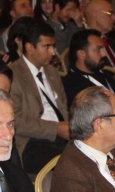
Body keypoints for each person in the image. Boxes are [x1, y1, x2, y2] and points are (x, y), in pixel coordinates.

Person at [10, 20, 70, 173]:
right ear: (30, 48)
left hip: (62, 137)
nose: (53, 52)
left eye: (53, 46)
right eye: (46, 47)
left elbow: (64, 108)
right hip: (31, 142)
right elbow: (15, 122)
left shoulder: (52, 72)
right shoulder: (12, 75)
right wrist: (56, 129)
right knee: (71, 165)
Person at [62, 29, 115, 114]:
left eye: (103, 49)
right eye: (98, 50)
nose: (104, 54)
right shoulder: (70, 85)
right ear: (81, 54)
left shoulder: (106, 76)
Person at [84, 0, 115, 77]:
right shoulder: (84, 43)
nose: (114, 18)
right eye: (110, 13)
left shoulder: (113, 41)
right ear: (95, 14)